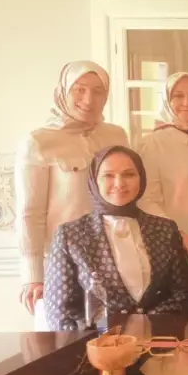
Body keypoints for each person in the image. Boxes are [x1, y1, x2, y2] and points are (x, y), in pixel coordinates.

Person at [16, 61, 129, 328]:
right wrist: (33, 275)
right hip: (62, 263)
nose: (89, 100)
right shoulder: (39, 142)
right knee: (63, 341)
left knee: (117, 340)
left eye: (98, 91)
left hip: (115, 259)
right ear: (63, 91)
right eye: (79, 90)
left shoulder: (117, 135)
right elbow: (30, 213)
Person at [42, 146, 188, 331]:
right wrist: (102, 343)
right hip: (95, 344)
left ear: (141, 178)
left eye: (129, 174)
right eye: (108, 175)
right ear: (94, 180)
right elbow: (61, 314)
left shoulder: (165, 229)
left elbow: (182, 295)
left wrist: (144, 330)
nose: (120, 183)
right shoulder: (70, 235)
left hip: (158, 340)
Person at [139, 72, 188, 312]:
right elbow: (147, 199)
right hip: (177, 238)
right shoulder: (153, 143)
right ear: (166, 100)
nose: (187, 103)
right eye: (178, 96)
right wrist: (175, 233)